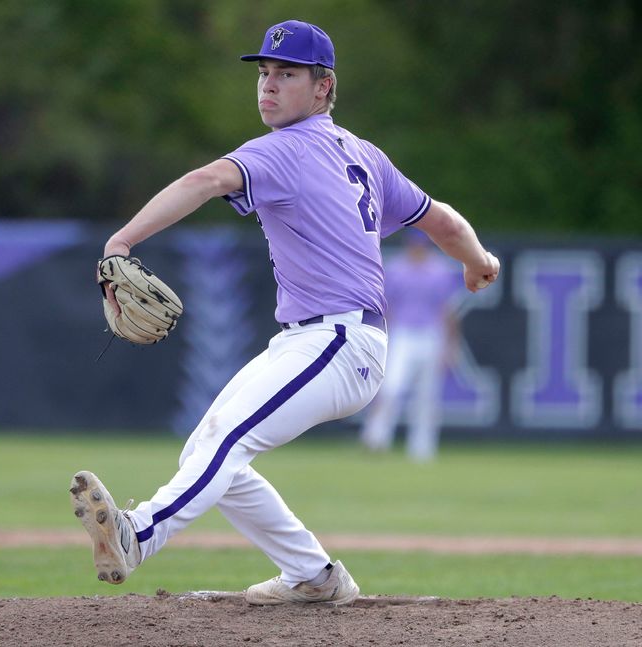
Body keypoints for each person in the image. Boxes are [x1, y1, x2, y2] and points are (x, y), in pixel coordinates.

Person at [70, 19, 500, 606]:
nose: (268, 85)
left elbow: (206, 179)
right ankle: (312, 575)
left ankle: (137, 533)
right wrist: (478, 261)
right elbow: (443, 220)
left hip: (338, 341)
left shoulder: (284, 150)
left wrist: (120, 242)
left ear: (323, 87)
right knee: (209, 451)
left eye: (287, 74)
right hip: (319, 342)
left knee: (224, 443)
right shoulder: (364, 155)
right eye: (265, 73)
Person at [359, 228, 462, 461]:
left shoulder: (440, 271)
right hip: (403, 334)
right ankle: (375, 438)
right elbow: (387, 308)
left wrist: (451, 346)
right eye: (414, 244)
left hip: (431, 334)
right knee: (392, 387)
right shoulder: (396, 269)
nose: (417, 248)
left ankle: (422, 448)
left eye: (421, 244)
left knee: (427, 395)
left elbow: (449, 311)